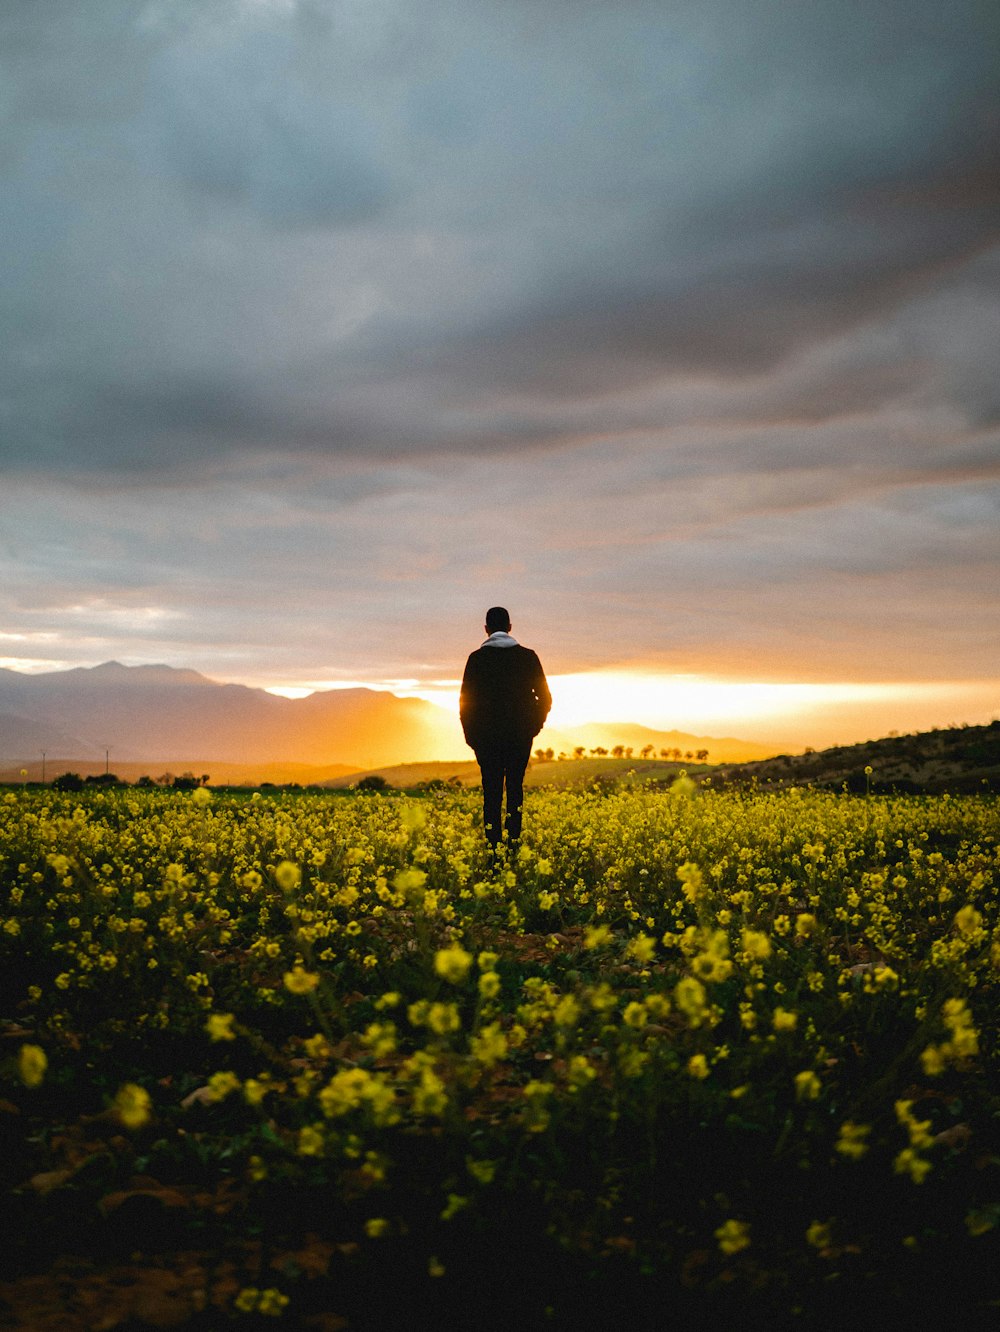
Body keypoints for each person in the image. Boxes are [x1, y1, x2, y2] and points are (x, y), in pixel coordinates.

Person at [460, 607, 551, 854]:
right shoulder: (528, 657)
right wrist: (533, 727)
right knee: (515, 790)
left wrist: (472, 738)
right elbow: (545, 698)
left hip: (485, 739)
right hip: (519, 737)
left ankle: (493, 851)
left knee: (491, 793)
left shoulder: (476, 659)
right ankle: (513, 847)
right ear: (510, 627)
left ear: (486, 629)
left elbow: (465, 702)